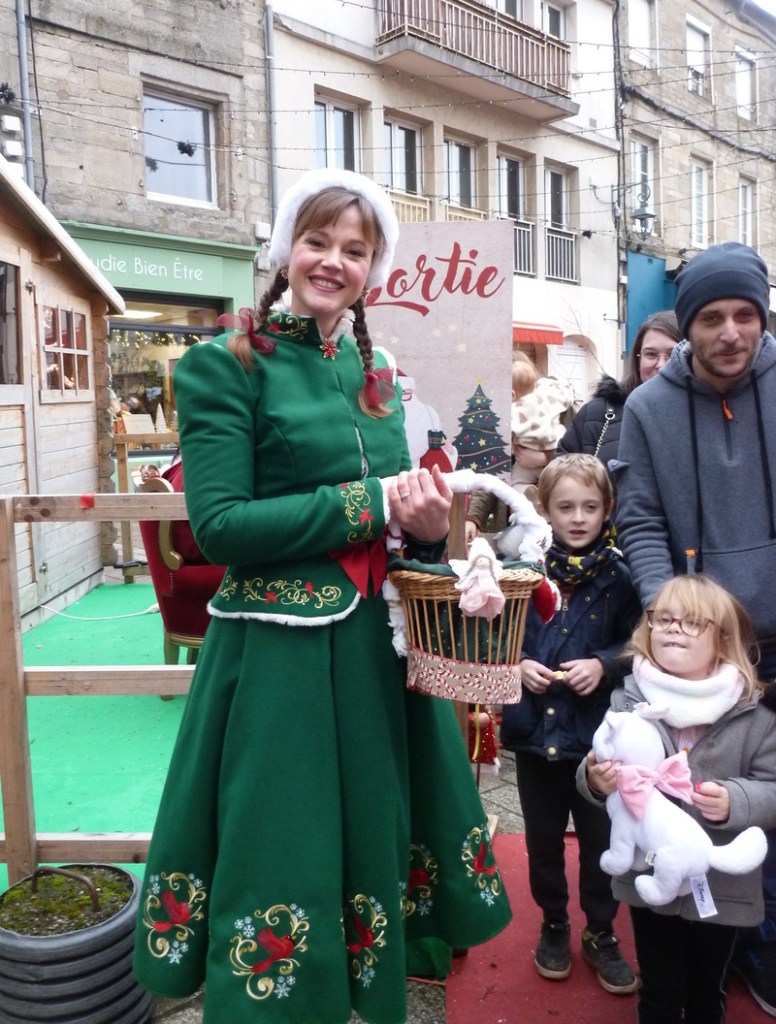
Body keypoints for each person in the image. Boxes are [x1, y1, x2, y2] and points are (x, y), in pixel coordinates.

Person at [131, 168, 511, 1024]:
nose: (333, 262)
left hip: (374, 649)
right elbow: (222, 526)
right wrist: (369, 504)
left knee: (368, 829)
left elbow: (394, 513)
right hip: (279, 656)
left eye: (355, 249)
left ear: (373, 268)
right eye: (318, 241)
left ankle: (358, 992)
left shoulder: (379, 371)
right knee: (284, 836)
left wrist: (415, 523)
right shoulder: (221, 365)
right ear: (284, 250)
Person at [612, 240, 776, 1014]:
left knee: (765, 794)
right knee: (697, 799)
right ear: (689, 327)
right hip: (698, 649)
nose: (731, 332)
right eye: (712, 317)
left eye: (746, 314)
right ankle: (696, 950)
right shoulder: (646, 408)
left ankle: (761, 949)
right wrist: (670, 609)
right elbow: (638, 518)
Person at [580, 575, 776, 1024]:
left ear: (723, 639)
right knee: (660, 990)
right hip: (651, 875)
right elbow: (596, 760)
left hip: (721, 886)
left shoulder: (756, 712)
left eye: (690, 622)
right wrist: (596, 779)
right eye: (663, 618)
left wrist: (737, 800)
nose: (672, 628)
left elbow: (773, 786)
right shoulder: (629, 699)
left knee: (707, 991)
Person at [500, 453, 641, 994]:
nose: (578, 518)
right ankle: (554, 921)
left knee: (600, 837)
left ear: (607, 510)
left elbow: (641, 642)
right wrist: (516, 663)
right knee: (542, 840)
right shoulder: (523, 573)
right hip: (535, 734)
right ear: (545, 510)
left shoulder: (622, 577)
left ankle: (601, 929)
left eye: (589, 507)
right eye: (565, 508)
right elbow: (495, 633)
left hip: (596, 741)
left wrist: (604, 664)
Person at [465, 355, 576, 545]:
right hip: (515, 529)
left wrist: (546, 458)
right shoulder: (550, 401)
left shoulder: (559, 410)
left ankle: (531, 503)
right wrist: (473, 517)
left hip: (561, 521)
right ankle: (526, 504)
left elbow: (579, 456)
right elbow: (492, 470)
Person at [556, 311, 681, 466]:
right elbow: (559, 477)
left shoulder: (711, 413)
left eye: (673, 354)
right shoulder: (596, 413)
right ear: (638, 358)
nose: (661, 365)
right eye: (651, 354)